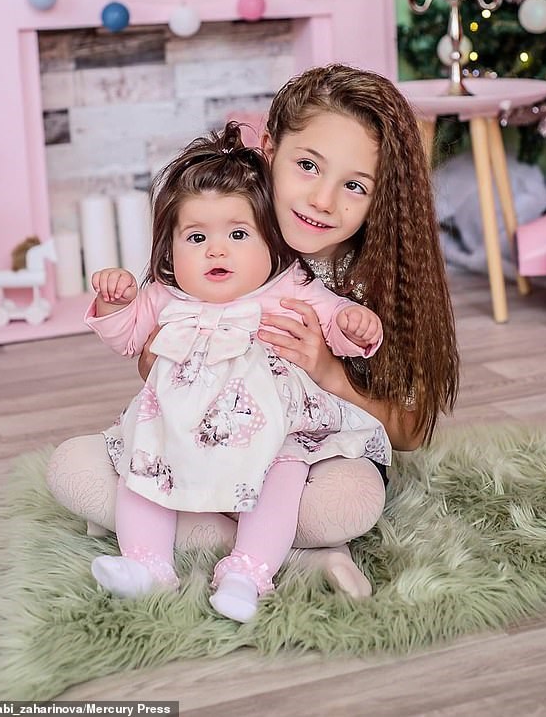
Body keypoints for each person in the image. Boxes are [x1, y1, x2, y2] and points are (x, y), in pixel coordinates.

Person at [47, 63, 458, 599]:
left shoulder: (372, 280)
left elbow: (410, 433)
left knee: (348, 499)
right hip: (203, 446)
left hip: (306, 460)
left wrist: (328, 370)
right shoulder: (226, 237)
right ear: (269, 150)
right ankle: (279, 553)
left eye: (355, 186)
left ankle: (195, 537)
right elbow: (150, 346)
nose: (323, 199)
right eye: (307, 166)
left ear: (380, 197)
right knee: (73, 466)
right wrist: (156, 351)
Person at [86, 123, 389, 622]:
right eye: (196, 237)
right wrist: (115, 302)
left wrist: (353, 324)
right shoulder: (165, 296)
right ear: (170, 250)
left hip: (272, 433)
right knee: (139, 468)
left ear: (270, 240)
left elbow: (335, 322)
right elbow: (125, 338)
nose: (216, 250)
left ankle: (248, 572)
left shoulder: (289, 288)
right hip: (176, 431)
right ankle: (145, 563)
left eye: (238, 234)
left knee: (286, 477)